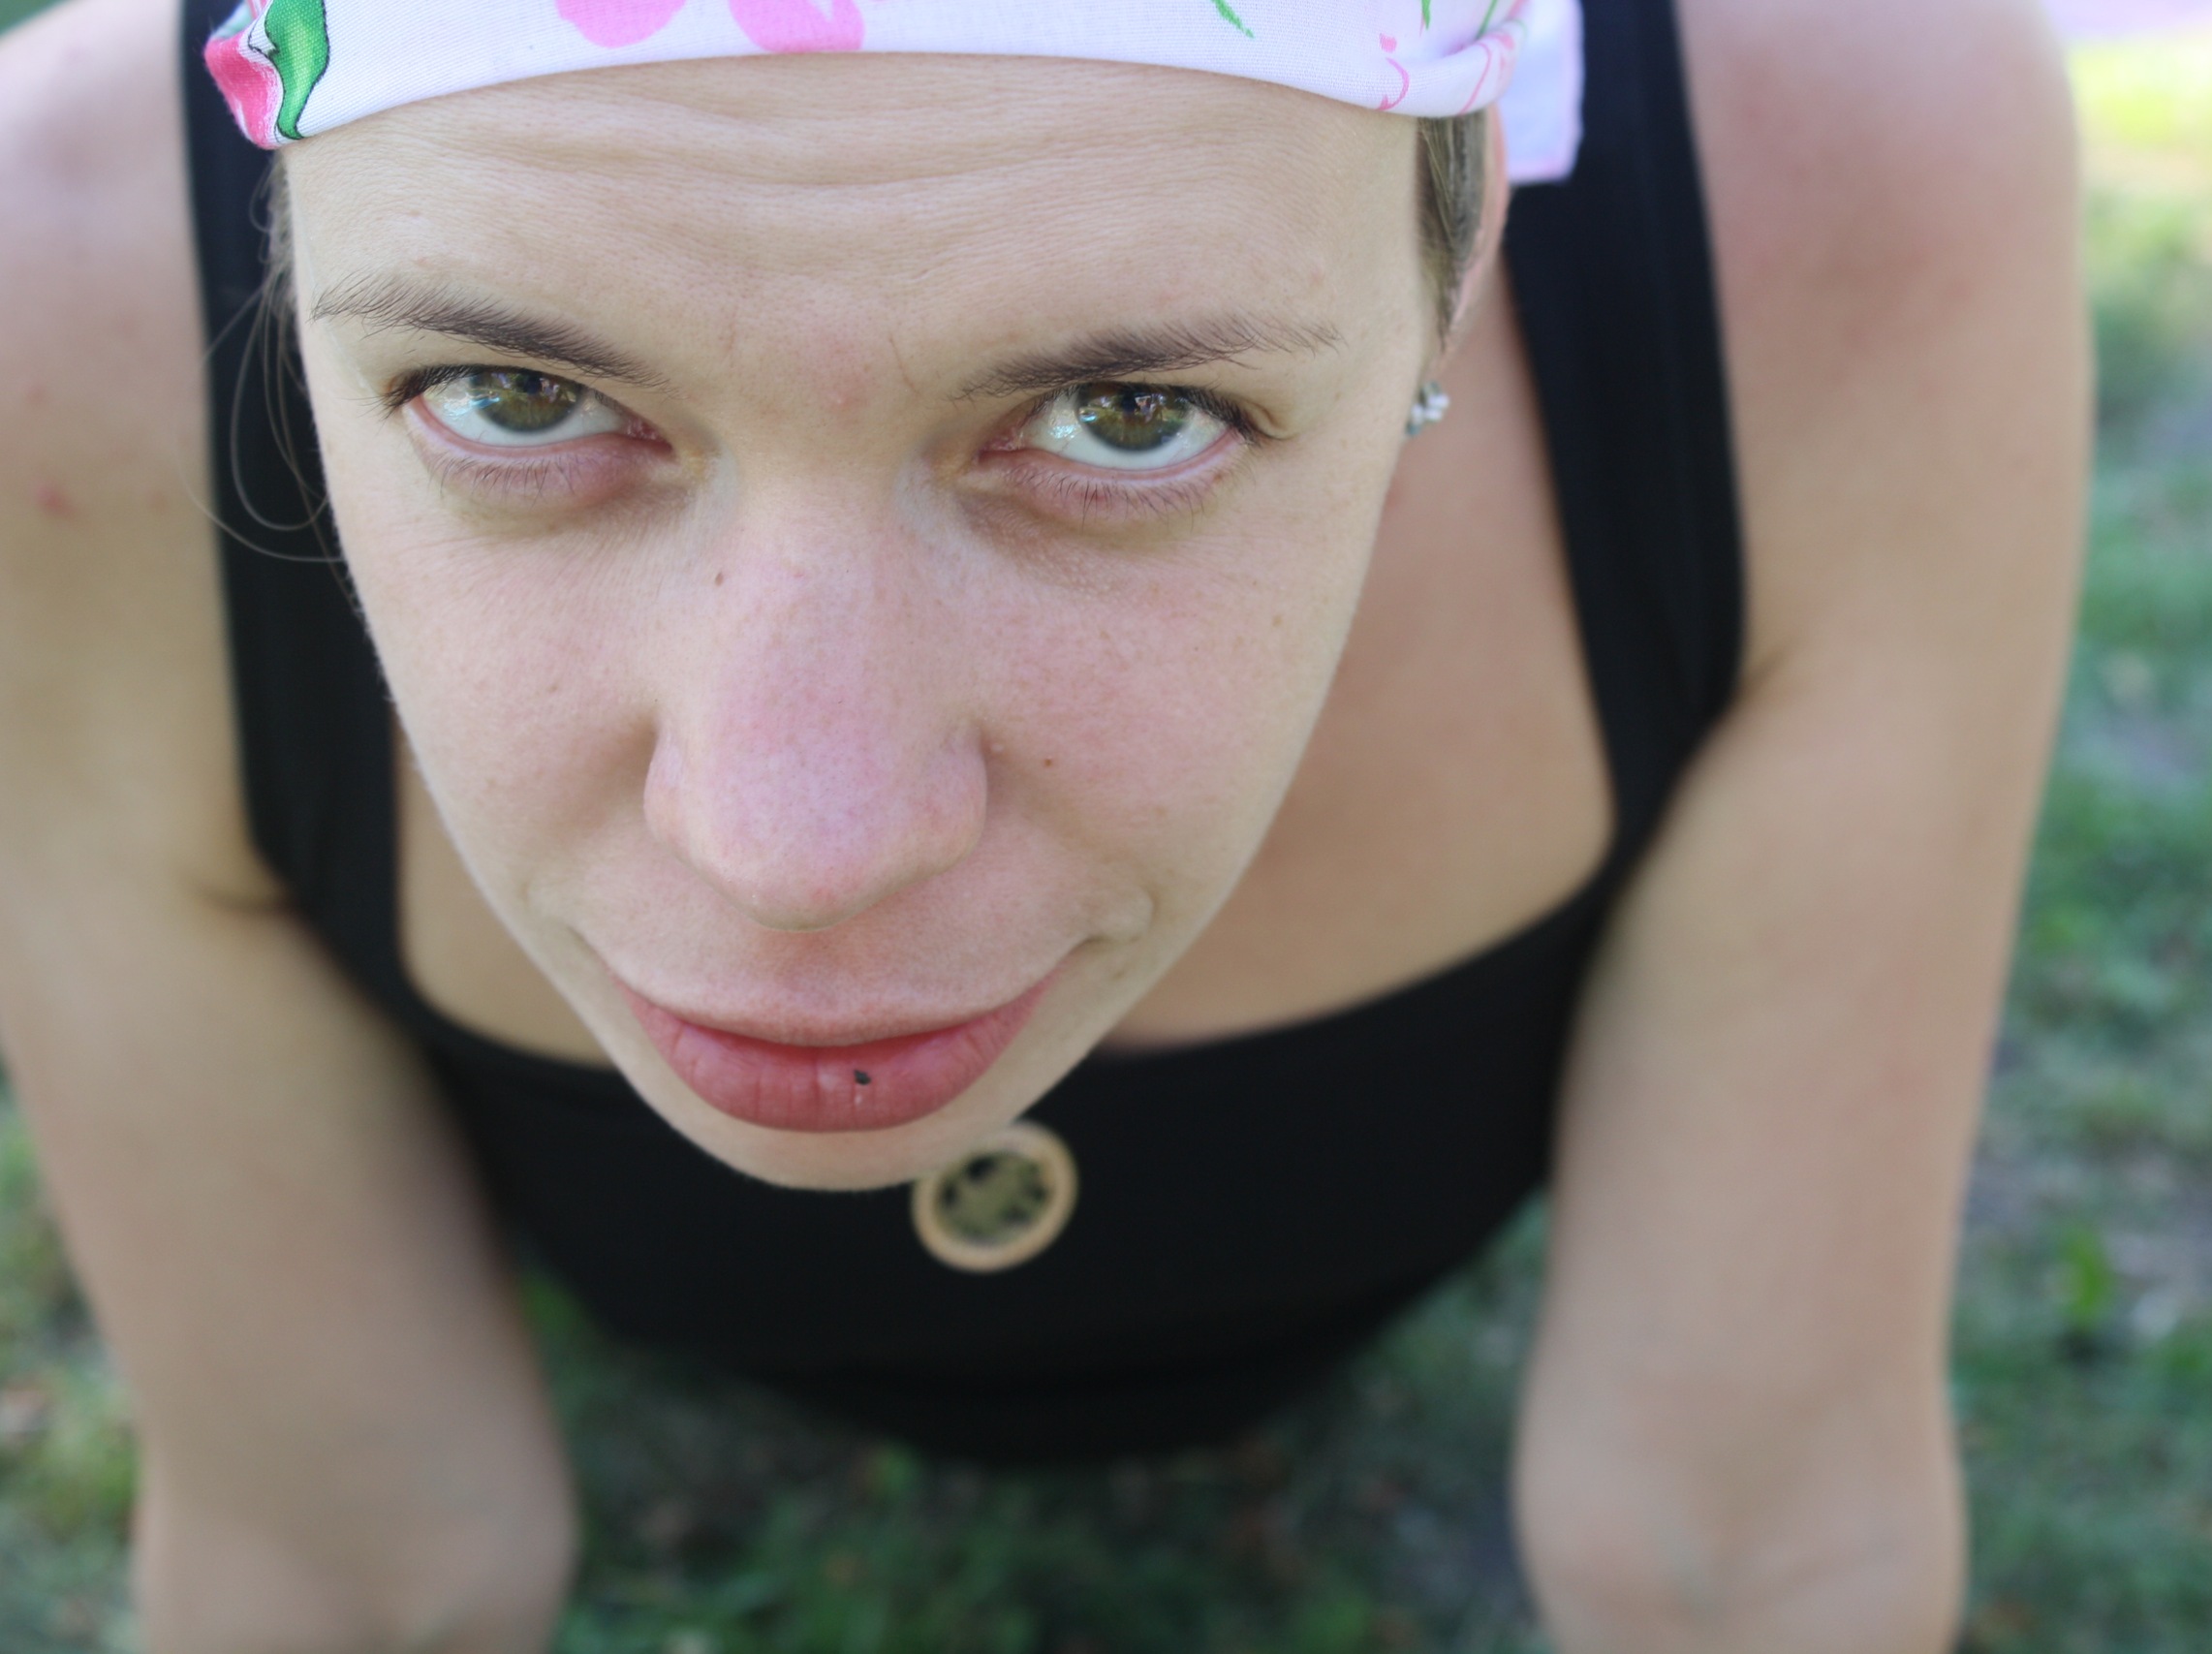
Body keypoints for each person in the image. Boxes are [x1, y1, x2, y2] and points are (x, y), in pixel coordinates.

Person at [0, 0, 2088, 1646]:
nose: (796, 849)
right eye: (517, 397)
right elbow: (350, 1574)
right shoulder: (59, 288)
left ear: (1462, 251)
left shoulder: (1829, 175)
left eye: (1126, 417)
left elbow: (1744, 1550)